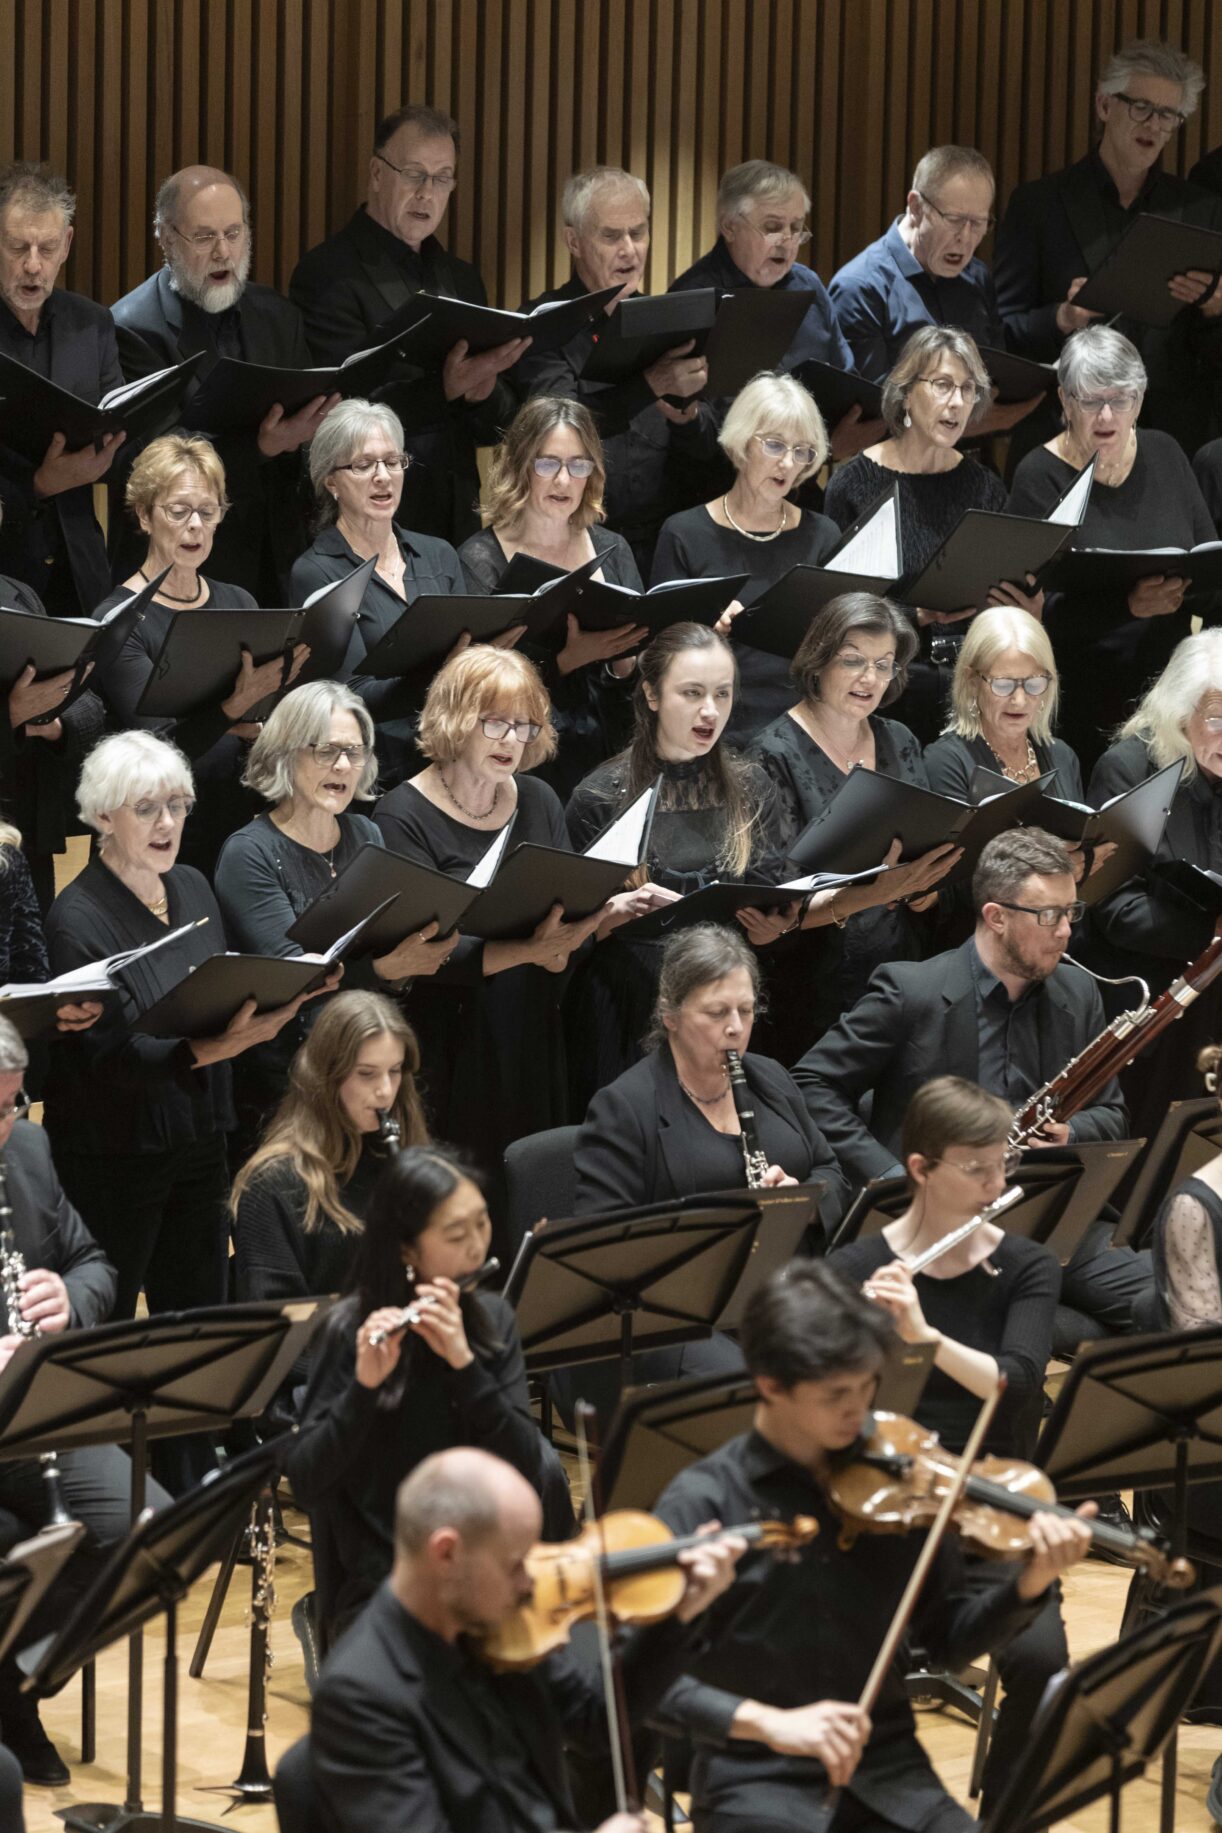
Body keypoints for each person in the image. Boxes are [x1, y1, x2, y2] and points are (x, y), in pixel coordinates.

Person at [651, 1256, 1092, 1833]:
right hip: (757, 1780)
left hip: (888, 1772)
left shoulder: (895, 1480)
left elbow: (948, 1644)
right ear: (770, 1385)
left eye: (868, 1386)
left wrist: (1029, 1584)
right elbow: (640, 1681)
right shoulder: (704, 1502)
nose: (858, 1411)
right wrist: (769, 1724)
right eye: (836, 1394)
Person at [41, 732, 327, 1490]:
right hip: (116, 1151)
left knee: (196, 1314)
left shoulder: (194, 886)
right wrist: (215, 1046)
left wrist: (276, 1000)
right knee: (110, 1320)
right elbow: (106, 1057)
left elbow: (220, 991)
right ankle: (101, 1482)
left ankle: (192, 1473)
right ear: (104, 817)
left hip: (201, 1132)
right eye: (147, 808)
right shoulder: (76, 916)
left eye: (177, 804)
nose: (167, 822)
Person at [793, 828, 1151, 1341]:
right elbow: (812, 1083)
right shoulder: (912, 991)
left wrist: (1071, 1133)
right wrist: (895, 1179)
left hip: (1051, 1215)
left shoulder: (1078, 992)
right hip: (943, 1226)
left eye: (1072, 912)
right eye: (1049, 915)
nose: (1065, 932)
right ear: (996, 916)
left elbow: (1111, 1112)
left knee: (1178, 1298)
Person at [300, 1446, 742, 1833]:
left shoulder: (499, 1622)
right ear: (446, 1553)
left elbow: (595, 1719)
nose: (531, 1581)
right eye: (515, 1563)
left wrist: (681, 1614)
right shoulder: (361, 1698)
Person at [833, 1076, 1063, 1815]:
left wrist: (923, 1335)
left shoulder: (1026, 1266)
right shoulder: (855, 1269)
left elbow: (1017, 1383)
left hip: (991, 1507)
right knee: (842, 1659)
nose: (998, 1185)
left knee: (1043, 1663)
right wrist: (858, 1337)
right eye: (977, 1169)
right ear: (921, 1168)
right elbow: (819, 1402)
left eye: (1004, 1167)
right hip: (881, 1508)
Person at [373, 645, 648, 1190]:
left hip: (531, 1028)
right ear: (455, 718)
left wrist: (585, 929)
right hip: (450, 1039)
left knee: (533, 1186)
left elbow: (564, 914)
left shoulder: (539, 798)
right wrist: (532, 950)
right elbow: (425, 952)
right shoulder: (401, 814)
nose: (511, 741)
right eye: (495, 723)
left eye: (524, 727)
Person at [285, 1149, 572, 1653]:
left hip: (493, 1572)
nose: (477, 1247)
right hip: (389, 1587)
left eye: (482, 1224)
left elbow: (530, 1467)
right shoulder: (348, 1331)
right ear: (407, 1251)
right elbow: (307, 1482)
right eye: (456, 1236)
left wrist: (466, 1367)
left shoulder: (491, 1321)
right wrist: (363, 1389)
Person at [0, 1014, 173, 1787]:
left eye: (11, 1105)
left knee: (150, 1529)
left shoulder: (28, 1151)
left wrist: (69, 1299)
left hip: (34, 1413)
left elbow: (95, 1263)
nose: (2, 1128)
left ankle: (14, 1684)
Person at [214, 681, 457, 1158]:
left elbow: (383, 944)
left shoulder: (365, 833)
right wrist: (385, 968)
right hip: (292, 1084)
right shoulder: (249, 853)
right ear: (286, 753)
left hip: (368, 1066)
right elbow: (296, 983)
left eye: (355, 751)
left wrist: (412, 957)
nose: (344, 766)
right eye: (327, 751)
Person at [564, 622, 784, 1101]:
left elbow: (772, 894)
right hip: (629, 1002)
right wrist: (607, 918)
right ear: (652, 694)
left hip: (724, 999)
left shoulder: (752, 786)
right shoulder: (599, 797)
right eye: (692, 693)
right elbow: (569, 939)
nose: (711, 711)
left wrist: (775, 926)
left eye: (722, 693)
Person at [289, 103, 526, 546]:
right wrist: (445, 389)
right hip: (370, 520)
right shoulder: (328, 274)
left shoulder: (462, 279)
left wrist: (483, 393)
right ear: (377, 174)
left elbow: (495, 426)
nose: (427, 193)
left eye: (442, 178)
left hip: (457, 518)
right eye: (415, 174)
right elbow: (336, 414)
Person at [995, 37, 1222, 464]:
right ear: (1104, 105)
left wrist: (1216, 310)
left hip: (1171, 444)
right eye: (1142, 107)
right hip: (1065, 437)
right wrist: (1062, 318)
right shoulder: (1038, 205)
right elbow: (1002, 334)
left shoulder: (1200, 210)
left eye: (1168, 114)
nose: (1154, 125)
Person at [749, 591, 958, 1055]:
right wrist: (879, 892)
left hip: (900, 973)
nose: (870, 678)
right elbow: (775, 905)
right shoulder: (771, 754)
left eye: (884, 665)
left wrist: (923, 889)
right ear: (819, 660)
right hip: (812, 991)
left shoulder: (900, 739)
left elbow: (927, 856)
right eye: (853, 660)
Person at [110, 163, 331, 601]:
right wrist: (260, 446)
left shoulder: (279, 316)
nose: (223, 252)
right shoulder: (131, 327)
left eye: (233, 233)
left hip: (279, 555)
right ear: (166, 238)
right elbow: (155, 459)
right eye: (204, 236)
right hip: (183, 566)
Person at [92, 433, 308, 878]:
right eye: (178, 511)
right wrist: (232, 711)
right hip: (156, 837)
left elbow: (262, 727)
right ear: (144, 516)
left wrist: (265, 725)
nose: (195, 525)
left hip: (237, 828)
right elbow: (161, 749)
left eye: (207, 512)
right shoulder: (119, 619)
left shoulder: (240, 602)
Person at [1007, 326, 1216, 774]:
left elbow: (1205, 561)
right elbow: (1030, 613)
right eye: (1090, 401)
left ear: (1139, 401)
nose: (1106, 415)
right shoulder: (1039, 476)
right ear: (1065, 402)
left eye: (1120, 400)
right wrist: (1127, 607)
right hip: (1079, 697)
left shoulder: (1165, 452)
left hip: (1170, 698)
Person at [823, 325, 1043, 746]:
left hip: (972, 686)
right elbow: (835, 610)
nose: (957, 402)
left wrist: (1026, 611)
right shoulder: (853, 485)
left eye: (967, 389)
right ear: (906, 393)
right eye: (942, 385)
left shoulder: (984, 486)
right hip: (887, 689)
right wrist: (916, 615)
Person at [512, 164, 720, 576]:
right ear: (573, 241)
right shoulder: (544, 323)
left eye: (638, 233)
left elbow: (708, 452)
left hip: (663, 544)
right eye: (611, 236)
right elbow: (559, 428)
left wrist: (690, 419)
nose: (629, 249)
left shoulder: (668, 317)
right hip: (573, 541)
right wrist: (650, 385)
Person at [574, 922, 849, 1225]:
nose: (736, 1028)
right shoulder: (623, 1108)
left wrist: (803, 1202)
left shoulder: (772, 1076)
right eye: (717, 1013)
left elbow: (831, 1171)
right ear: (670, 1014)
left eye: (746, 1010)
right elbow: (603, 1235)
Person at [458, 396, 646, 798]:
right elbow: (477, 688)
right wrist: (566, 662)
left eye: (578, 465)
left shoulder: (613, 547)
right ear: (521, 466)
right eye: (548, 464)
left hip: (613, 751)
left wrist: (624, 663)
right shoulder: (480, 559)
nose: (563, 480)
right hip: (527, 760)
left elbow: (634, 677)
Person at [651, 372, 841, 746]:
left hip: (805, 728)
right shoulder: (684, 533)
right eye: (775, 445)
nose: (788, 463)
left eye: (801, 451)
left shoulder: (823, 535)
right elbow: (658, 656)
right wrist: (706, 634)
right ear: (742, 442)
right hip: (714, 728)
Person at [1084, 628, 1222, 1140]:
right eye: (1218, 720)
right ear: (1180, 713)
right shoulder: (1129, 769)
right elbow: (1114, 907)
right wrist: (1212, 935)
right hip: (1149, 1008)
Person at [289, 397, 469, 788]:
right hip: (378, 773)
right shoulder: (317, 572)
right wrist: (444, 672)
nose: (383, 476)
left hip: (456, 758)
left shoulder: (439, 554)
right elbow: (351, 697)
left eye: (392, 461)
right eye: (363, 465)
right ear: (331, 481)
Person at [231, 989, 429, 1316]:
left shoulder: (406, 1163)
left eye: (394, 1071)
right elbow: (278, 1327)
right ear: (326, 1076)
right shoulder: (271, 1186)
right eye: (366, 1073)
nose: (385, 1091)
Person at [669, 160, 881, 465]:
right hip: (715, 482)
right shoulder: (690, 299)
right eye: (772, 227)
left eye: (796, 228)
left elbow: (844, 382)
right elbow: (689, 429)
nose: (787, 240)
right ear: (729, 226)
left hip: (801, 478)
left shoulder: (808, 286)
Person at [829, 143, 1040, 443]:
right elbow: (872, 419)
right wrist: (986, 420)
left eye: (978, 223)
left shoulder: (977, 277)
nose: (965, 238)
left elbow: (995, 382)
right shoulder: (860, 287)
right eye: (953, 220)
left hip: (971, 461)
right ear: (916, 207)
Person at [0, 163, 124, 615]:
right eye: (18, 247)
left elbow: (118, 425)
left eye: (47, 248)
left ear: (67, 244)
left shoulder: (93, 323)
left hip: (79, 568)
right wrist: (36, 485)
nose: (33, 265)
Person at [0, 549, 105, 911]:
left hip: (29, 837)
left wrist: (52, 724)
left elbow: (90, 710)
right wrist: (11, 717)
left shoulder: (21, 595)